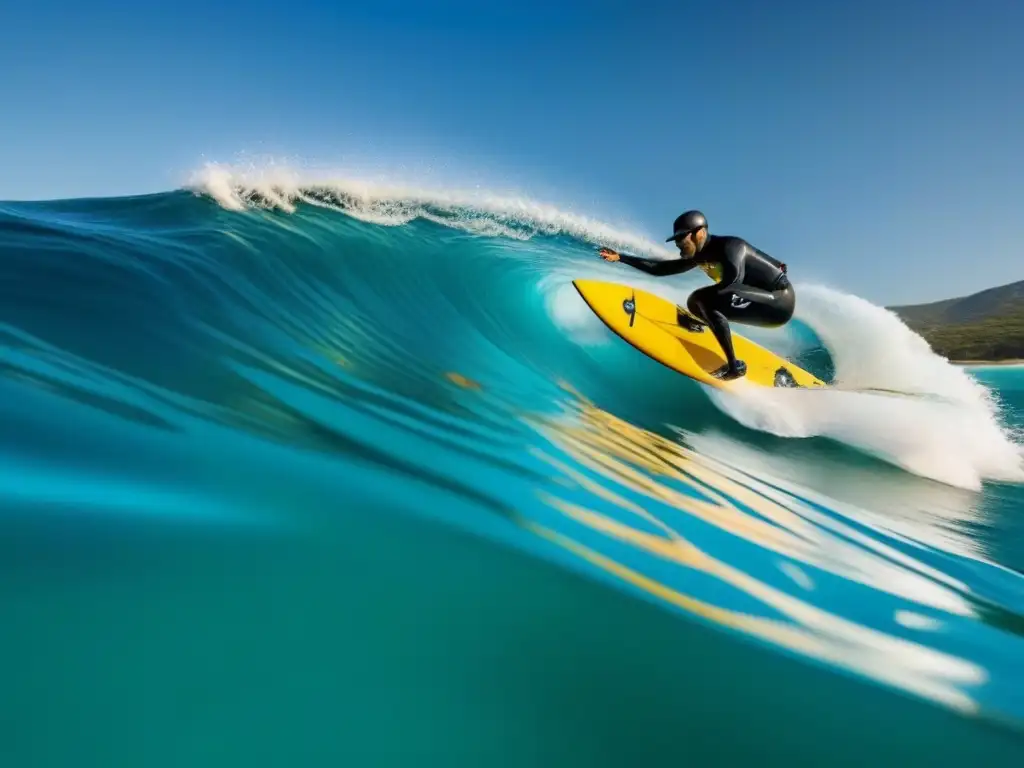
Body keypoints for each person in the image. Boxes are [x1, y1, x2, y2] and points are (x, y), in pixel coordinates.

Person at [597, 210, 795, 380]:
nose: (678, 244)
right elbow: (660, 269)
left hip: (779, 301)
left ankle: (734, 367)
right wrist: (621, 258)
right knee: (695, 302)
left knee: (704, 300)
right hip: (762, 302)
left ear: (699, 233)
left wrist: (712, 305)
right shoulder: (699, 255)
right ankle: (703, 323)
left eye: (681, 238)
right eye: (676, 239)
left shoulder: (731, 247)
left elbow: (734, 281)